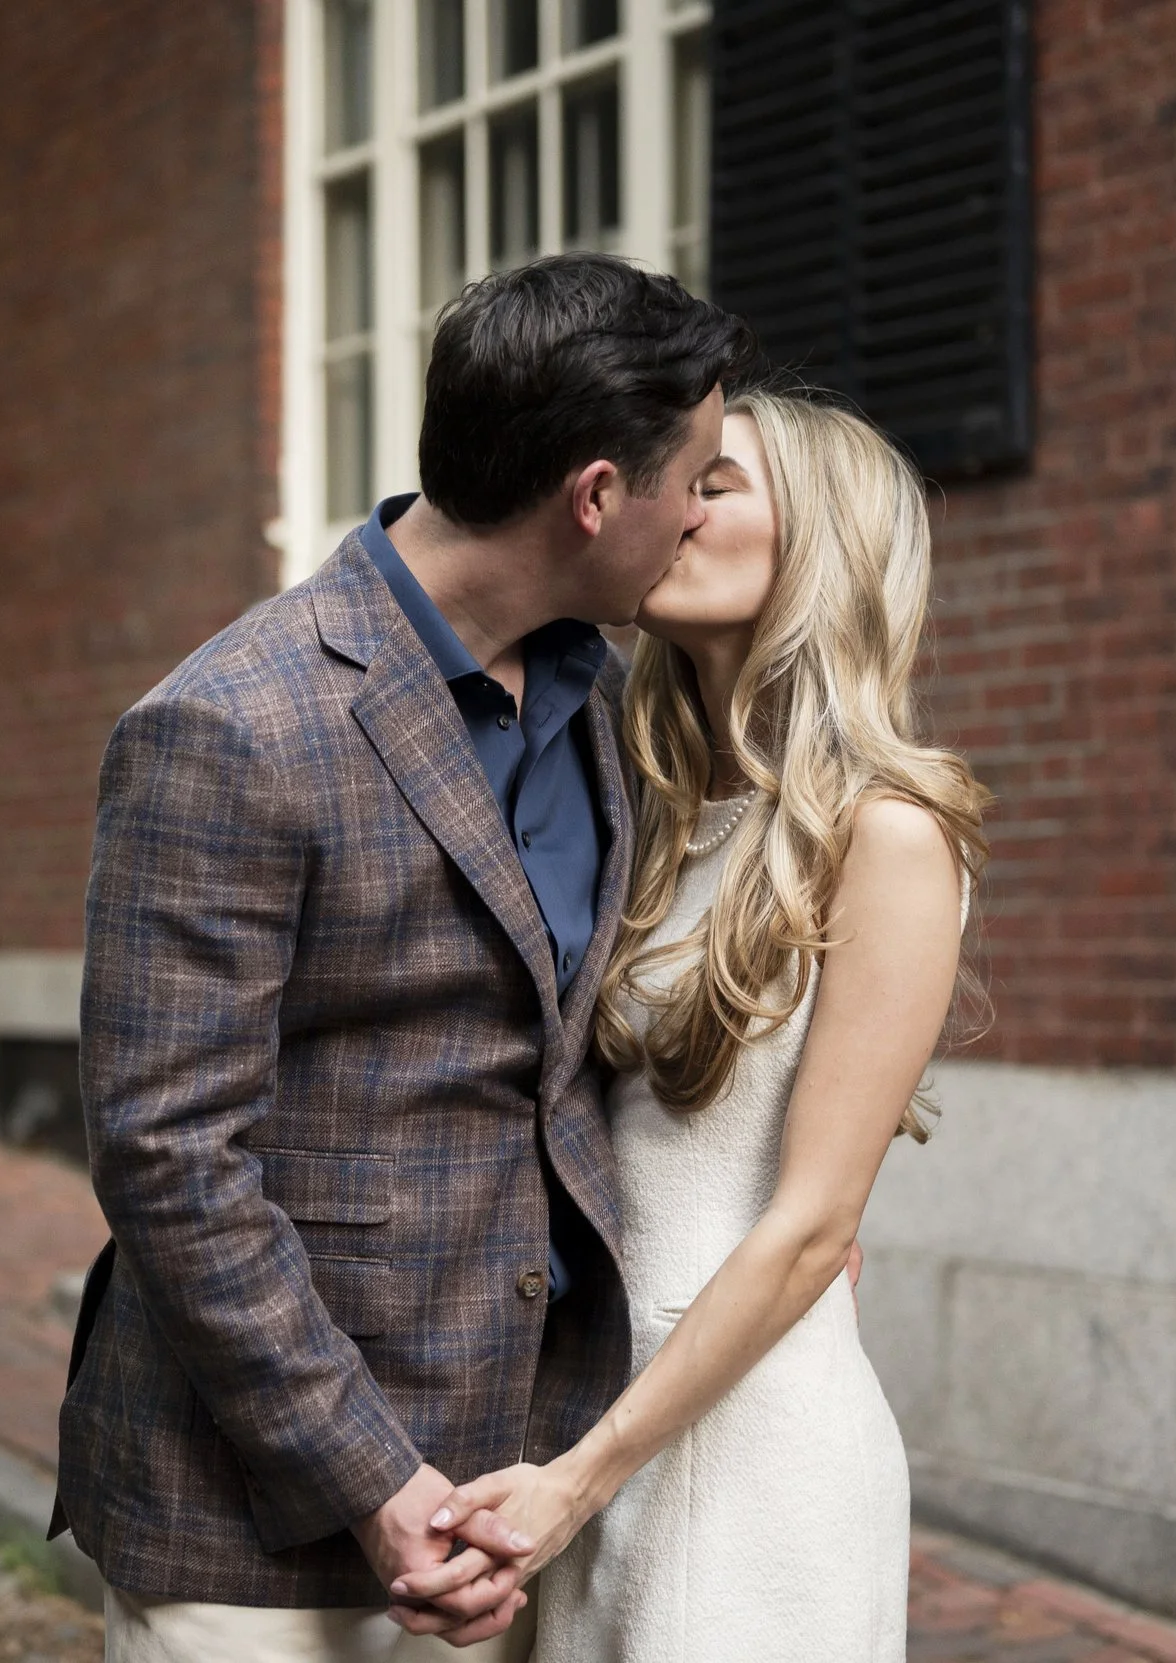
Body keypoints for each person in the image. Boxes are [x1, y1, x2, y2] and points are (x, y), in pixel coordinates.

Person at [47, 252, 757, 1662]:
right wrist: (375, 1481)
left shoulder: (604, 699)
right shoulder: (229, 724)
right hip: (253, 1528)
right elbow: (167, 1153)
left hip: (512, 1489)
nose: (701, 513)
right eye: (694, 479)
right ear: (595, 496)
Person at [407, 389, 991, 1661]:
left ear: (818, 542)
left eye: (713, 484)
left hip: (744, 1454)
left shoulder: (888, 833)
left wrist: (580, 1477)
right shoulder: (650, 807)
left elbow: (813, 1226)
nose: (671, 507)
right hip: (599, 1414)